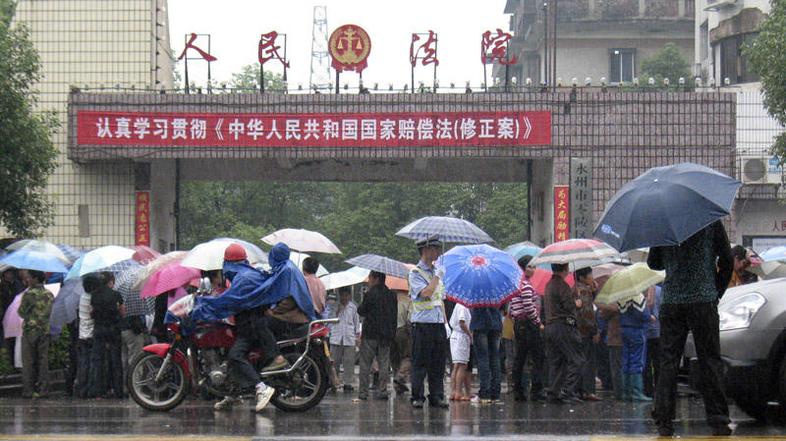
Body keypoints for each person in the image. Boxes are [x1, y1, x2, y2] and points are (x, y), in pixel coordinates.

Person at [648, 219, 733, 437]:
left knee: (668, 362)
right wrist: (717, 291)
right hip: (703, 299)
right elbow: (727, 259)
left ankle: (664, 420)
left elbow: (653, 263)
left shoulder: (665, 223)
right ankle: (718, 420)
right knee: (710, 360)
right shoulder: (710, 221)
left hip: (672, 301)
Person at [408, 235, 449, 409]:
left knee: (438, 363)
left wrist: (446, 324)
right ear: (425, 249)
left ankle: (436, 395)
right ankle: (417, 396)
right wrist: (437, 277)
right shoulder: (415, 273)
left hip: (438, 323)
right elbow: (426, 293)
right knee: (420, 363)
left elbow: (440, 300)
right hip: (422, 324)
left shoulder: (436, 272)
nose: (438, 252)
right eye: (435, 249)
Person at [543, 262, 584, 404]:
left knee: (557, 361)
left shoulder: (549, 285)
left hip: (550, 326)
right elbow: (569, 306)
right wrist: (577, 302)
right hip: (563, 326)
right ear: (565, 269)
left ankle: (554, 391)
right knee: (576, 359)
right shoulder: (562, 285)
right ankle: (569, 391)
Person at [357, 271, 397, 400]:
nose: (368, 281)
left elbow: (361, 311)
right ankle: (383, 391)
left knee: (365, 364)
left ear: (376, 278)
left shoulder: (370, 294)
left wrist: (364, 298)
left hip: (370, 334)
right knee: (384, 363)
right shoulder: (392, 295)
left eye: (370, 278)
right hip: (386, 335)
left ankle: (363, 393)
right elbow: (394, 316)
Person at [510, 255, 545, 402]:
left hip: (519, 324)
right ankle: (536, 390)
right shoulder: (526, 285)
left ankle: (519, 390)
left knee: (520, 357)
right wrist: (538, 322)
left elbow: (512, 307)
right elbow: (529, 307)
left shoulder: (517, 284)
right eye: (530, 266)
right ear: (523, 268)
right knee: (536, 357)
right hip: (528, 325)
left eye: (534, 266)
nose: (533, 269)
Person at [18, 270, 54, 398]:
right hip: (45, 330)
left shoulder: (28, 294)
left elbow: (21, 312)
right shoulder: (49, 294)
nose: (27, 280)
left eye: (29, 277)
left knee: (28, 361)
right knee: (43, 360)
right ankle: (44, 390)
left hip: (30, 331)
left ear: (35, 279)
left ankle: (28, 390)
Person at [89, 272, 125, 399]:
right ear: (110, 281)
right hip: (113, 330)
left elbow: (91, 313)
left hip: (99, 329)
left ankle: (98, 391)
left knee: (98, 360)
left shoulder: (94, 295)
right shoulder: (116, 295)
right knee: (115, 360)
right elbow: (122, 312)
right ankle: (118, 390)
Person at [619, 293, 654, 402]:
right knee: (637, 361)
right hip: (637, 330)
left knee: (626, 361)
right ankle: (637, 393)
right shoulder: (637, 295)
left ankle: (626, 392)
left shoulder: (621, 296)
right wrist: (650, 317)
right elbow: (642, 314)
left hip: (624, 330)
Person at [573, 267, 601, 401]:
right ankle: (588, 391)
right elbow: (588, 313)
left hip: (578, 331)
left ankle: (581, 390)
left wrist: (594, 292)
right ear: (582, 278)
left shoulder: (579, 289)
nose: (592, 278)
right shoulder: (582, 290)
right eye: (590, 276)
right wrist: (594, 330)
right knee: (588, 361)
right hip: (585, 332)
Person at [329, 287, 360, 392]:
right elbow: (330, 320)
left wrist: (357, 336)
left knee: (349, 362)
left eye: (346, 295)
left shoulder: (353, 307)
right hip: (336, 337)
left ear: (349, 296)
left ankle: (348, 383)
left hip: (349, 337)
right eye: (342, 295)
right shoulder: (334, 306)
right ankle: (333, 382)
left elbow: (356, 322)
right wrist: (337, 311)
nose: (344, 297)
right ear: (339, 295)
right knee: (334, 362)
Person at [471, 305, 503, 404]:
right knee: (495, 358)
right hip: (496, 324)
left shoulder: (476, 289)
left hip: (480, 323)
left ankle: (485, 393)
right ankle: (495, 393)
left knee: (483, 359)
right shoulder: (496, 290)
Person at [76, 273, 101, 399]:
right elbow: (94, 315)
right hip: (91, 334)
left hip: (82, 335)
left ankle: (82, 389)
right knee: (93, 364)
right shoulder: (93, 298)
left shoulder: (82, 297)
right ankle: (91, 390)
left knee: (83, 363)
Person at [448, 302, 472, 401]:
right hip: (461, 337)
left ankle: (453, 391)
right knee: (462, 365)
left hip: (455, 336)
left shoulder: (457, 305)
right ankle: (458, 391)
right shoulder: (463, 306)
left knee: (456, 365)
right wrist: (470, 334)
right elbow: (462, 322)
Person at [391, 289, 412, 395]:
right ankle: (400, 376)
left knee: (394, 358)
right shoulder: (408, 300)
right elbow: (409, 319)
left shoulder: (390, 299)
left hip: (390, 331)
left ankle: (397, 385)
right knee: (407, 356)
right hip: (402, 331)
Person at [644, 285, 662, 398]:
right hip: (658, 331)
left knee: (645, 363)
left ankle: (648, 390)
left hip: (644, 332)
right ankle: (660, 390)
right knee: (658, 363)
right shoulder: (660, 290)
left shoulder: (640, 291)